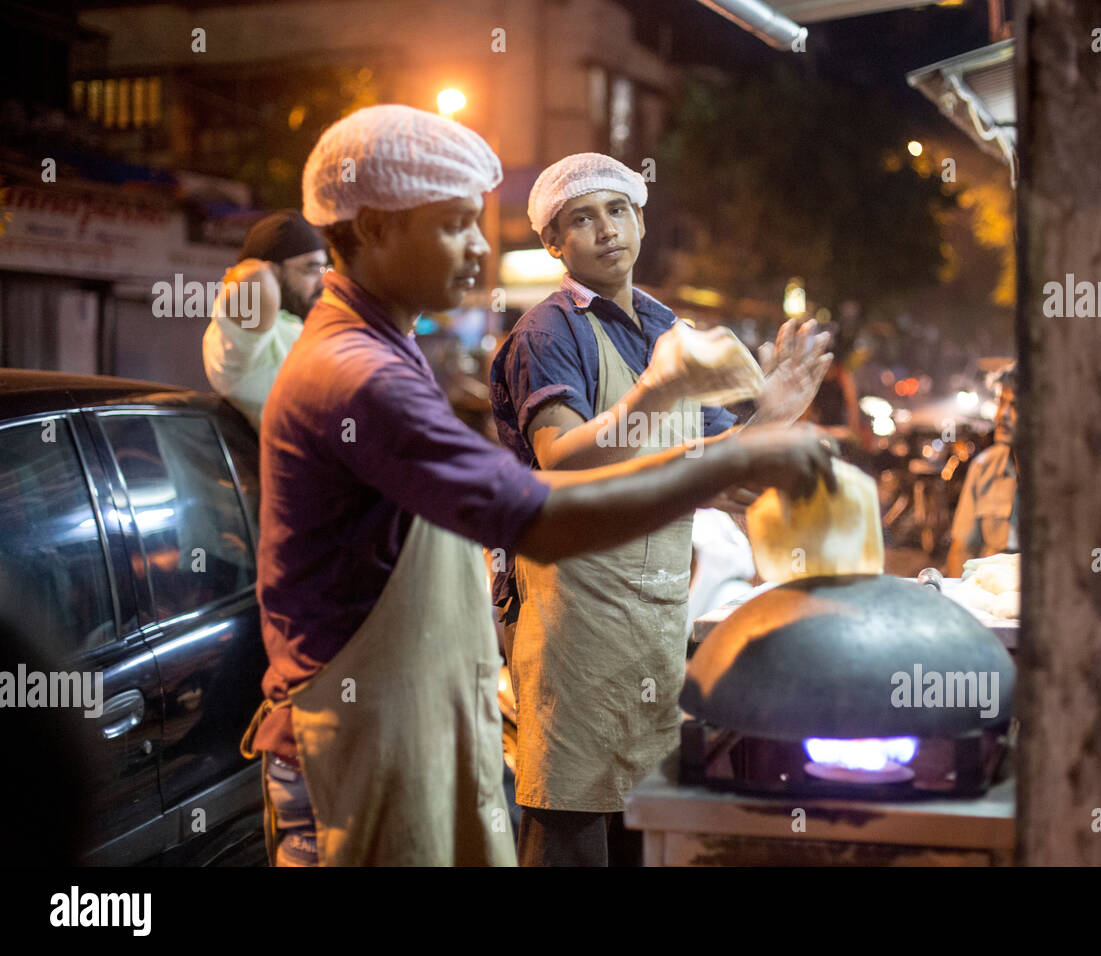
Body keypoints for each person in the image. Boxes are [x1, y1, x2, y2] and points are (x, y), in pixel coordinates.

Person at [238, 106, 837, 867]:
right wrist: (725, 456)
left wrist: (762, 426)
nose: (479, 248)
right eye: (455, 224)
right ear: (376, 229)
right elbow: (541, 509)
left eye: (619, 209)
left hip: (415, 715)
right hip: (358, 732)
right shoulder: (362, 376)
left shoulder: (388, 346)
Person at [490, 153, 833, 866]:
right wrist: (652, 393)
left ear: (641, 221)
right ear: (554, 243)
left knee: (645, 825)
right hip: (572, 626)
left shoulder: (664, 327)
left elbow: (720, 480)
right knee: (571, 827)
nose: (605, 230)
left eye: (618, 211)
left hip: (652, 623)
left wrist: (768, 418)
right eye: (581, 219)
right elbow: (563, 464)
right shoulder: (547, 333)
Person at [201, 209, 329, 430]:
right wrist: (264, 266)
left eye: (324, 268)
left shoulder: (298, 324)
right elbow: (253, 278)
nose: (323, 282)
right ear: (274, 271)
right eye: (311, 269)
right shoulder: (243, 340)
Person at [946, 363, 1019, 577]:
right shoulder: (983, 467)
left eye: (1015, 406)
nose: (1002, 414)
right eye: (1000, 402)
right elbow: (961, 550)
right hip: (986, 601)